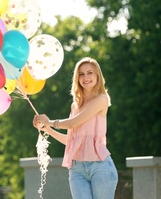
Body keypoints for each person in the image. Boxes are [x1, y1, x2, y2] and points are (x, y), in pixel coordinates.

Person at [33, 57, 118, 199]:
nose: (86, 77)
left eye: (90, 73)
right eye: (81, 74)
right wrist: (47, 129)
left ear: (98, 75)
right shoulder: (75, 105)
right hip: (77, 169)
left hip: (101, 167)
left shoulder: (102, 100)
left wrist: (49, 122)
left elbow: (73, 123)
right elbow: (71, 141)